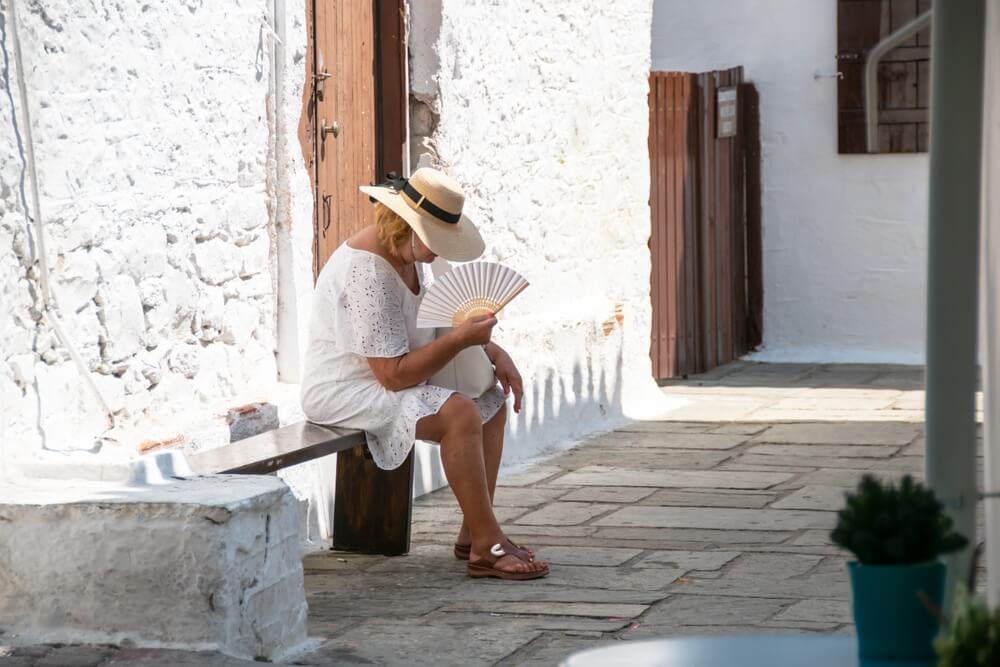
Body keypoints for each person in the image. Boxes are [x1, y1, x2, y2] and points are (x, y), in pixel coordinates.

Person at [301, 167, 549, 580]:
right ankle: (489, 545)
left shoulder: (409, 253)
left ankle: (475, 532)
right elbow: (392, 377)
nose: (437, 252)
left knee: (489, 399)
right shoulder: (367, 273)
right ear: (403, 224)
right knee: (460, 414)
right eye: (433, 240)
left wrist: (492, 350)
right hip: (344, 387)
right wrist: (462, 341)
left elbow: (440, 320)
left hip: (390, 372)